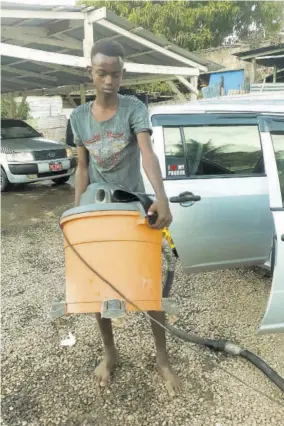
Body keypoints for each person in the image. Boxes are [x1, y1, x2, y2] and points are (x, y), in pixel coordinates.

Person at [70, 39, 180, 396]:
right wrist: (76, 211)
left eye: (115, 75)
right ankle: (110, 352)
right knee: (98, 286)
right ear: (90, 72)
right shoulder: (78, 118)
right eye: (101, 73)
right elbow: (82, 168)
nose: (108, 82)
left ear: (123, 74)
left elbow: (147, 153)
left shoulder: (133, 108)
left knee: (148, 289)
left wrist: (160, 198)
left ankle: (161, 358)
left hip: (132, 208)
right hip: (97, 211)